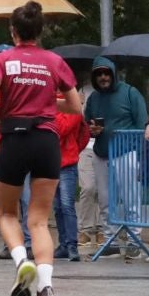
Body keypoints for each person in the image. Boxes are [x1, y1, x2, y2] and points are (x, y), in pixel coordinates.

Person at [0, 2, 83, 296]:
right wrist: (50, 105)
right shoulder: (54, 61)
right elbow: (76, 106)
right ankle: (46, 288)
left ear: (13, 31)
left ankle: (21, 261)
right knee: (39, 220)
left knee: (7, 214)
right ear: (40, 32)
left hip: (14, 138)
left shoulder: (2, 59)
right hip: (46, 141)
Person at [81, 55, 146, 251]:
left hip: (126, 153)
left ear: (113, 73)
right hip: (101, 153)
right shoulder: (93, 98)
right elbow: (87, 123)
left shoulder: (130, 93)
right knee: (105, 201)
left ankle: (134, 241)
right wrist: (92, 130)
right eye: (99, 74)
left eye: (106, 72)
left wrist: (138, 153)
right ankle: (111, 241)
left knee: (130, 200)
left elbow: (142, 124)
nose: (103, 77)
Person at [53, 108, 90, 261]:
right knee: (57, 207)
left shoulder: (71, 106)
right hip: (51, 161)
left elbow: (62, 128)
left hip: (66, 162)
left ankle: (71, 245)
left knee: (66, 204)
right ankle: (64, 245)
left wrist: (73, 149)